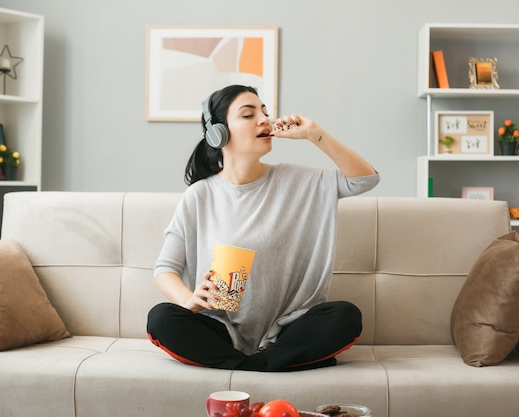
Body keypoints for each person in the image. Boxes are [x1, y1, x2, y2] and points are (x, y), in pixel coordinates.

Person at [147, 85, 379, 372]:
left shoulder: (297, 181)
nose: (264, 120)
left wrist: (314, 134)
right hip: (219, 327)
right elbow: (165, 268)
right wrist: (190, 299)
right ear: (218, 132)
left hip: (288, 329)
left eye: (265, 112)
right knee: (161, 318)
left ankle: (248, 364)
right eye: (248, 114)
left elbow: (364, 180)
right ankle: (266, 365)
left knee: (345, 316)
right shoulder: (199, 195)